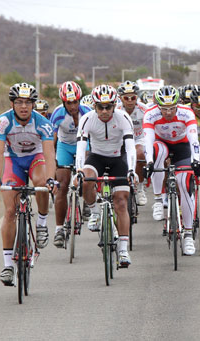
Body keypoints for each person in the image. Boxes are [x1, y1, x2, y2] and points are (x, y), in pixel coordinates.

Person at [0, 83, 58, 286]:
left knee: (40, 182)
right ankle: (8, 265)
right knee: (10, 211)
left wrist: (51, 179)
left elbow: (49, 154)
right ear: (12, 104)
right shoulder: (3, 122)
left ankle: (42, 223)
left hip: (35, 158)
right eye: (19, 102)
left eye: (28, 102)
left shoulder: (43, 123)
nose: (23, 106)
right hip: (13, 160)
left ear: (33, 104)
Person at [75, 84, 136, 267]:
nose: (104, 111)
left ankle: (123, 250)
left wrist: (131, 170)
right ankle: (94, 211)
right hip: (97, 158)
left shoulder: (123, 118)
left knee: (121, 202)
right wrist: (78, 170)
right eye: (100, 107)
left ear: (114, 105)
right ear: (94, 106)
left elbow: (131, 147)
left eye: (108, 107)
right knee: (86, 179)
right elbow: (80, 148)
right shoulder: (87, 119)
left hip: (118, 159)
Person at [142, 85, 200, 255]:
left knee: (185, 182)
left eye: (171, 108)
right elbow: (147, 141)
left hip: (182, 146)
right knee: (157, 152)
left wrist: (196, 161)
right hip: (162, 144)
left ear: (178, 104)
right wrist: (149, 163)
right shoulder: (151, 114)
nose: (168, 112)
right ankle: (159, 200)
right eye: (164, 109)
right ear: (158, 106)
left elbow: (194, 140)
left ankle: (188, 234)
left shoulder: (186, 112)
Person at [49, 81, 91, 248]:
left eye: (75, 102)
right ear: (63, 102)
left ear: (79, 100)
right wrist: (52, 162)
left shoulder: (87, 112)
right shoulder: (58, 114)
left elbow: (94, 134)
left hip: (84, 144)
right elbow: (50, 140)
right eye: (69, 103)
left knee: (88, 174)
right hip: (64, 146)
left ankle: (88, 200)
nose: (73, 106)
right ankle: (59, 229)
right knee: (62, 185)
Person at [117, 80, 149, 205]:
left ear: (137, 97)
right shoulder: (116, 109)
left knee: (139, 154)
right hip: (122, 139)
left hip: (138, 139)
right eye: (126, 97)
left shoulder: (144, 109)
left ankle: (140, 188)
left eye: (133, 97)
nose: (130, 100)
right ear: (121, 98)